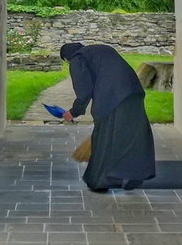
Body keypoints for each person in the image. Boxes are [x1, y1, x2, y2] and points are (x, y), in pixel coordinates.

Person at [60, 42, 155, 192]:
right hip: (133, 92)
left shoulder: (77, 59)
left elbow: (84, 90)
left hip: (111, 99)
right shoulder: (102, 49)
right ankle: (134, 177)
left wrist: (73, 112)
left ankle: (100, 181)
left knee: (105, 138)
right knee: (134, 136)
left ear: (67, 57)